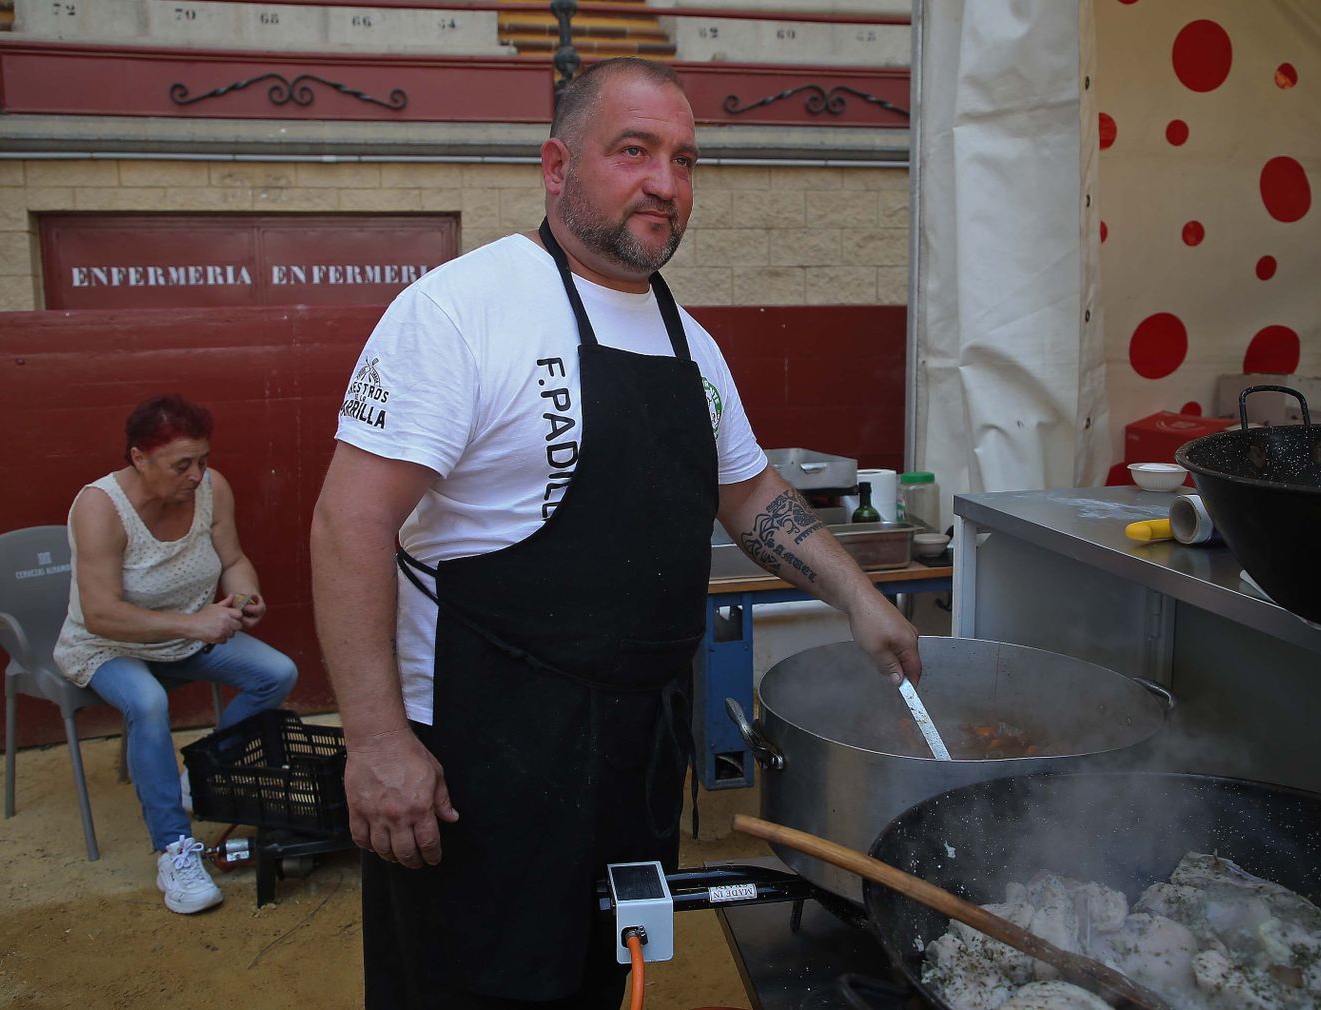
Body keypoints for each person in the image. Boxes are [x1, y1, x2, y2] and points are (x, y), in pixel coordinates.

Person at [310, 57, 922, 1008]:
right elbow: (349, 521)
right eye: (633, 152)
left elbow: (750, 491)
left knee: (606, 976)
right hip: (481, 751)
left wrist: (860, 598)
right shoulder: (462, 311)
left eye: (684, 160)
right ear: (557, 167)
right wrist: (378, 742)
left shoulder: (690, 341)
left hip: (637, 747)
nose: (665, 184)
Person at [54, 394, 298, 914]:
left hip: (188, 639)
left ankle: (201, 775)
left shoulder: (212, 489)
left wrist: (246, 596)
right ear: (139, 458)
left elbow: (233, 558)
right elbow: (100, 613)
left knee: (277, 673)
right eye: (181, 464)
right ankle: (174, 849)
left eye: (202, 460)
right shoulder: (100, 507)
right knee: (147, 704)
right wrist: (195, 622)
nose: (196, 474)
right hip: (108, 646)